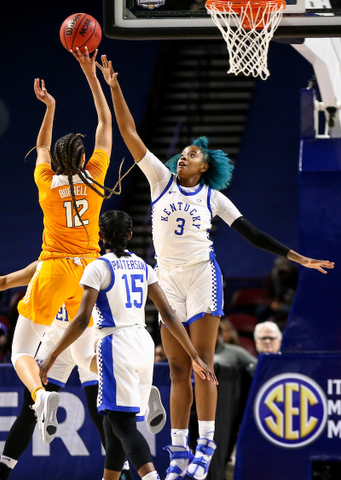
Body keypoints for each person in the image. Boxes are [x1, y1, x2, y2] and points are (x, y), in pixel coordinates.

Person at [96, 55, 334, 480]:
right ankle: (179, 451)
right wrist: (114, 86)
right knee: (177, 368)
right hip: (165, 277)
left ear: (205, 166)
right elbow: (130, 133)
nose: (182, 158)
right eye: (182, 154)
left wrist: (299, 258)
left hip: (202, 275)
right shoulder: (157, 179)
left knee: (203, 359)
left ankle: (206, 446)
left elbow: (253, 234)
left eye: (190, 155)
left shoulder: (214, 199)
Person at [39, 210, 217, 480]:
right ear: (130, 236)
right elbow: (169, 315)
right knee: (112, 425)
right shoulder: (143, 267)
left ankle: (151, 477)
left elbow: (81, 320)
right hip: (143, 342)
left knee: (121, 424)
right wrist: (193, 354)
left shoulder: (98, 267)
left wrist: (51, 355)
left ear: (100, 237)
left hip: (115, 342)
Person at [11, 46, 113, 446]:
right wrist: (91, 74)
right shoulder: (97, 178)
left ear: (56, 160)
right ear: (85, 158)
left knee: (21, 348)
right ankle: (133, 389)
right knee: (87, 355)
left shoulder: (46, 182)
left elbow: (40, 148)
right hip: (90, 271)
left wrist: (48, 107)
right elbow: (105, 121)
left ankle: (41, 396)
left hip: (53, 267)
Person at [0, 261, 133, 480]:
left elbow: (5, 282)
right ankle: (124, 472)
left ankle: (3, 471)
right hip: (88, 339)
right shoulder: (98, 265)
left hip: (58, 343)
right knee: (103, 413)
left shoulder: (45, 265)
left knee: (31, 408)